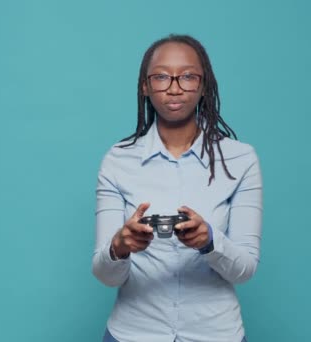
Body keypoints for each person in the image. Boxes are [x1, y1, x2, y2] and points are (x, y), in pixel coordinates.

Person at [92, 34, 263, 342]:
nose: (174, 86)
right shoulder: (118, 160)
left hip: (215, 334)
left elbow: (245, 270)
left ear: (204, 85)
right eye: (161, 76)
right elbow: (105, 275)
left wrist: (210, 242)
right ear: (145, 86)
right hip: (133, 334)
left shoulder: (240, 160)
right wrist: (120, 246)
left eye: (187, 76)